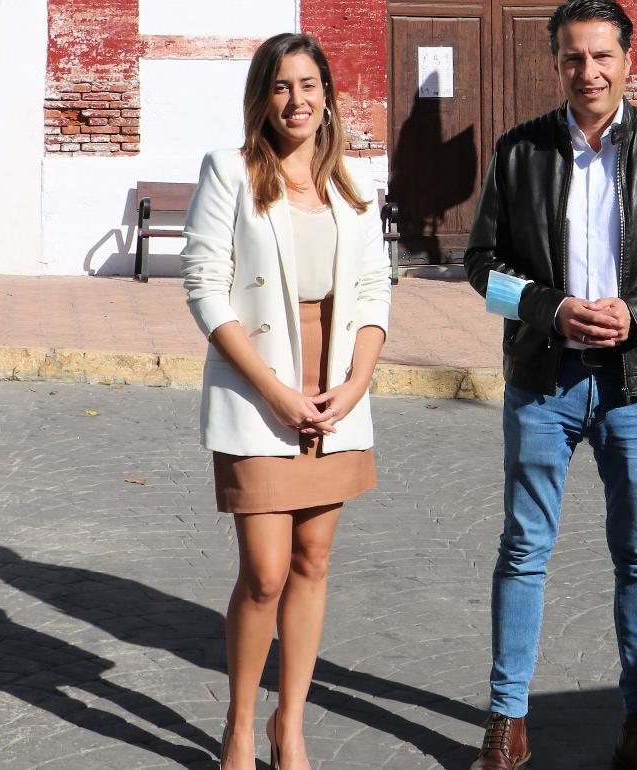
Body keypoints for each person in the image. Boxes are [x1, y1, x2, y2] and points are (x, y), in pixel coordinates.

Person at [463, 1, 637, 768]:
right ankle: (507, 724)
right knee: (523, 548)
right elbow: (481, 269)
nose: (589, 72)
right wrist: (552, 310)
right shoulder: (519, 154)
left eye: (602, 56)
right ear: (556, 63)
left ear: (628, 60)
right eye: (574, 58)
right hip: (543, 382)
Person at [180, 33, 390, 770]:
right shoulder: (230, 173)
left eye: (307, 84)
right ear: (261, 98)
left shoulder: (354, 186)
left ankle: (288, 726)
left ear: (326, 94)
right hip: (257, 392)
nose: (295, 100)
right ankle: (240, 725)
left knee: (313, 562)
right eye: (279, 86)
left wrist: (356, 386)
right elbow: (204, 287)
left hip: (336, 394)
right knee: (265, 572)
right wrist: (274, 391)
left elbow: (372, 294)